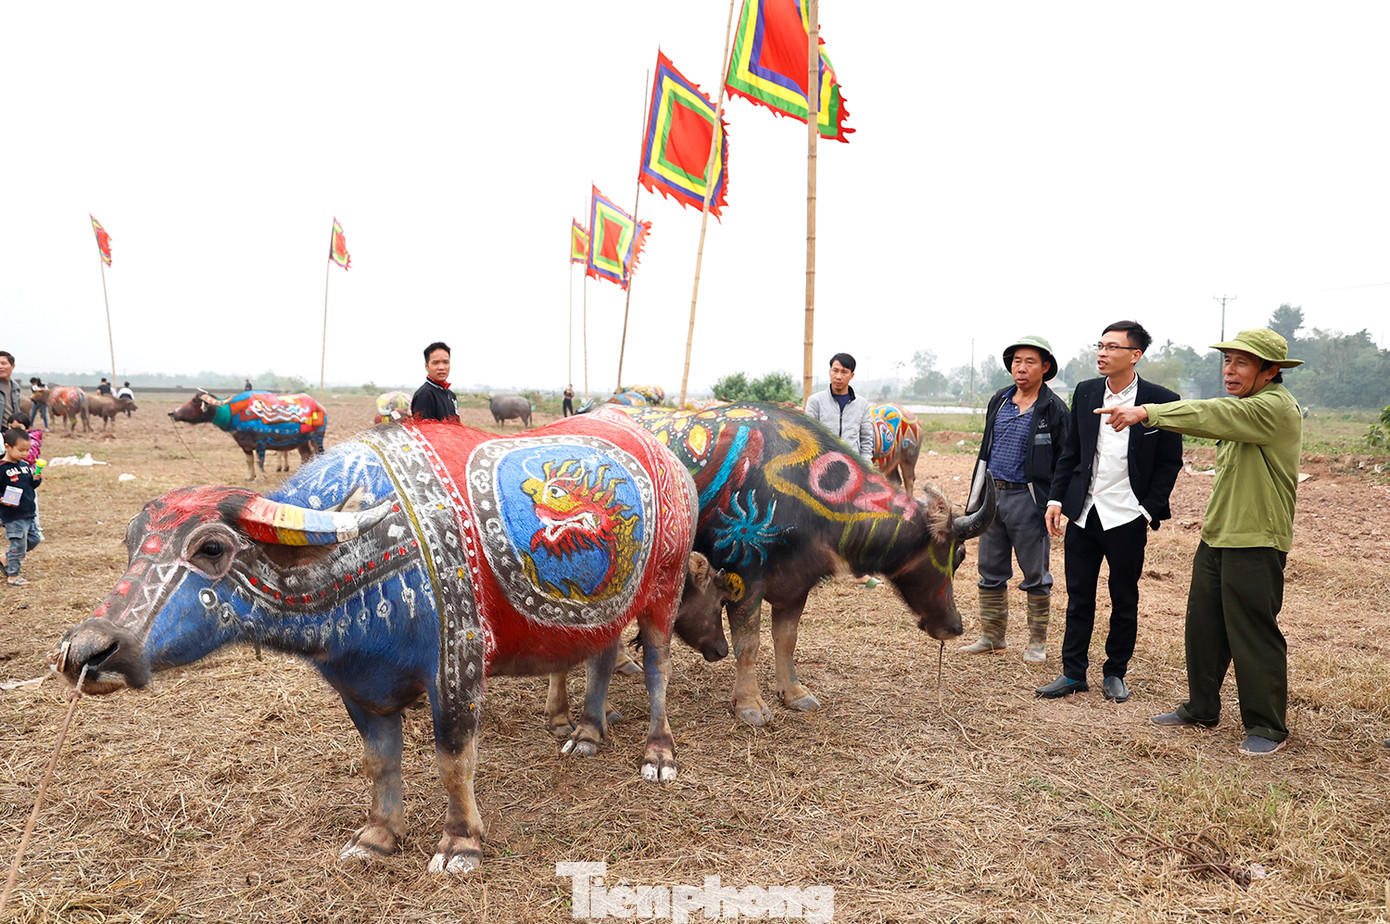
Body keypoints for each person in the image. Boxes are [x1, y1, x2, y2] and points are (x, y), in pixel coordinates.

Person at [1098, 329, 1303, 757]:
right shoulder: (1247, 406)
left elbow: (1211, 415)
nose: (1230, 371)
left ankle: (1266, 725)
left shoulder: (1273, 409)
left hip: (1257, 539)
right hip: (1219, 535)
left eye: (1242, 363)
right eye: (1227, 362)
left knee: (1251, 630)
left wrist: (1147, 412)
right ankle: (1201, 707)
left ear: (1271, 371)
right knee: (1203, 627)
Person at [1036, 321, 1183, 703]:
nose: (1102, 353)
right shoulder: (1085, 392)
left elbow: (1170, 462)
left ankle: (1115, 672)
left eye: (1112, 347)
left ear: (1135, 355)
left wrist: (1148, 508)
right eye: (1100, 345)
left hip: (1127, 515)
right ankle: (1072, 673)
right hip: (1085, 512)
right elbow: (1072, 451)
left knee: (1124, 595)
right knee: (1078, 595)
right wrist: (1056, 500)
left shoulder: (1160, 399)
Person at [961, 335, 1069, 662]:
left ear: (1045, 367)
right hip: (993, 498)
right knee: (990, 569)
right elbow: (985, 450)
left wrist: (1057, 501)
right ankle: (992, 637)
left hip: (1029, 499)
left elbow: (1066, 459)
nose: (1020, 368)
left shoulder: (1054, 409)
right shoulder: (1000, 400)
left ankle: (1037, 643)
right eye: (1016, 361)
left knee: (1036, 575)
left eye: (1029, 362)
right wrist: (976, 497)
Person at [803, 352, 874, 461]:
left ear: (852, 375)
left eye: (844, 372)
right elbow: (809, 437)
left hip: (852, 466)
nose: (838, 376)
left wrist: (866, 467)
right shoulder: (815, 401)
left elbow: (866, 440)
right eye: (835, 371)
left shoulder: (862, 405)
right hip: (823, 466)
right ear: (830, 372)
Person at [2, 427, 43, 587]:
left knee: (34, 539)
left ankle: (6, 558)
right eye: (21, 450)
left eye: (27, 450)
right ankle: (13, 576)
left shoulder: (25, 466)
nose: (25, 454)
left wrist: (36, 479)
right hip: (13, 514)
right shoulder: (2, 469)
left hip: (28, 512)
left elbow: (30, 485)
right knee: (18, 544)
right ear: (7, 447)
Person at [412, 341, 458, 421]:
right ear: (427, 366)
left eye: (445, 362)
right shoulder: (424, 395)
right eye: (436, 363)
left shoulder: (451, 395)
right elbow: (424, 430)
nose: (441, 367)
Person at [0, 352, 20, 426]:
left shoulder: (15, 387)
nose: (0, 366)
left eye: (3, 363)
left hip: (10, 431)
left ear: (12, 366)